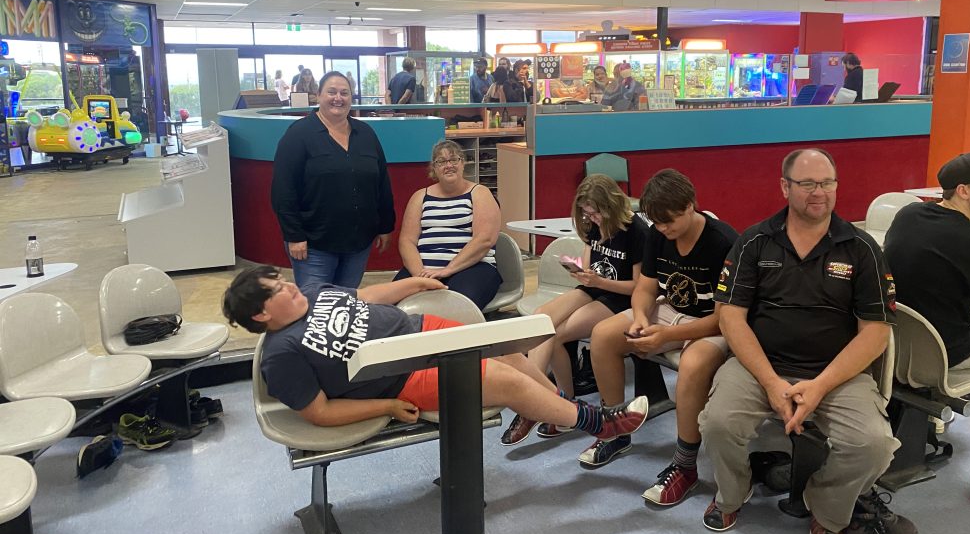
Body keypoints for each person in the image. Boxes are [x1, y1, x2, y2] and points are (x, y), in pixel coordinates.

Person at [701, 148, 910, 534]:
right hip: (760, 365)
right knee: (719, 423)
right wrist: (771, 382)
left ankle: (828, 508)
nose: (820, 192)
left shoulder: (861, 248)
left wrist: (820, 386)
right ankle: (733, 493)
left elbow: (876, 331)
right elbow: (731, 318)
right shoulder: (755, 241)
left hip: (836, 373)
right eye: (808, 184)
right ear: (785, 187)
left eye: (827, 183)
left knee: (873, 445)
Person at [222, 266, 650, 444]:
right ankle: (597, 423)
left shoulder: (314, 292)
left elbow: (368, 295)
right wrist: (386, 406)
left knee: (510, 354)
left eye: (282, 280)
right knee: (507, 382)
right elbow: (319, 412)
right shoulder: (280, 354)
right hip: (400, 374)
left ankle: (558, 410)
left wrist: (413, 283)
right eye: (277, 290)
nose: (289, 285)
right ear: (261, 314)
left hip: (421, 329)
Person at [582, 169, 737, 481]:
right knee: (603, 335)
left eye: (669, 221)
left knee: (692, 365)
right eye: (658, 222)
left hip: (711, 322)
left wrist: (667, 335)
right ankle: (615, 431)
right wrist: (640, 317)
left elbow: (724, 319)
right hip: (671, 310)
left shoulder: (724, 241)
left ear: (690, 206)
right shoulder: (657, 234)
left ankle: (685, 464)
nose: (664, 228)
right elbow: (645, 288)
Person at [886, 151, 970, 463]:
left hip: (896, 343)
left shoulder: (909, 216)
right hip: (946, 350)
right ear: (963, 190)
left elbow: (942, 287)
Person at [501, 174, 647, 444]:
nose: (592, 218)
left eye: (596, 213)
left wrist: (598, 281)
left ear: (612, 205)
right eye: (587, 213)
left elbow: (639, 287)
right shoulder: (593, 224)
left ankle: (537, 403)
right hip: (595, 288)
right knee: (540, 319)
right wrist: (581, 272)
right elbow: (590, 266)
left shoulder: (636, 230)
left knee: (556, 335)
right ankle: (557, 401)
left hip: (620, 298)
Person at [271, 71, 393, 289]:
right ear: (318, 95)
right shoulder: (298, 134)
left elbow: (381, 183)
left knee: (347, 302)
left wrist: (385, 226)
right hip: (314, 245)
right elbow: (283, 189)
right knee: (317, 305)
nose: (338, 98)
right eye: (332, 92)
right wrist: (294, 235)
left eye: (344, 93)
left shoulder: (365, 133)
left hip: (359, 243)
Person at [393, 140, 503, 310]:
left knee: (453, 308)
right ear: (434, 168)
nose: (449, 165)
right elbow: (407, 241)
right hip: (424, 269)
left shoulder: (480, 193)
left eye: (454, 159)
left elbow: (484, 240)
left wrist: (447, 270)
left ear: (463, 163)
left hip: (472, 267)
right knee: (392, 305)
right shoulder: (420, 197)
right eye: (442, 161)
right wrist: (420, 276)